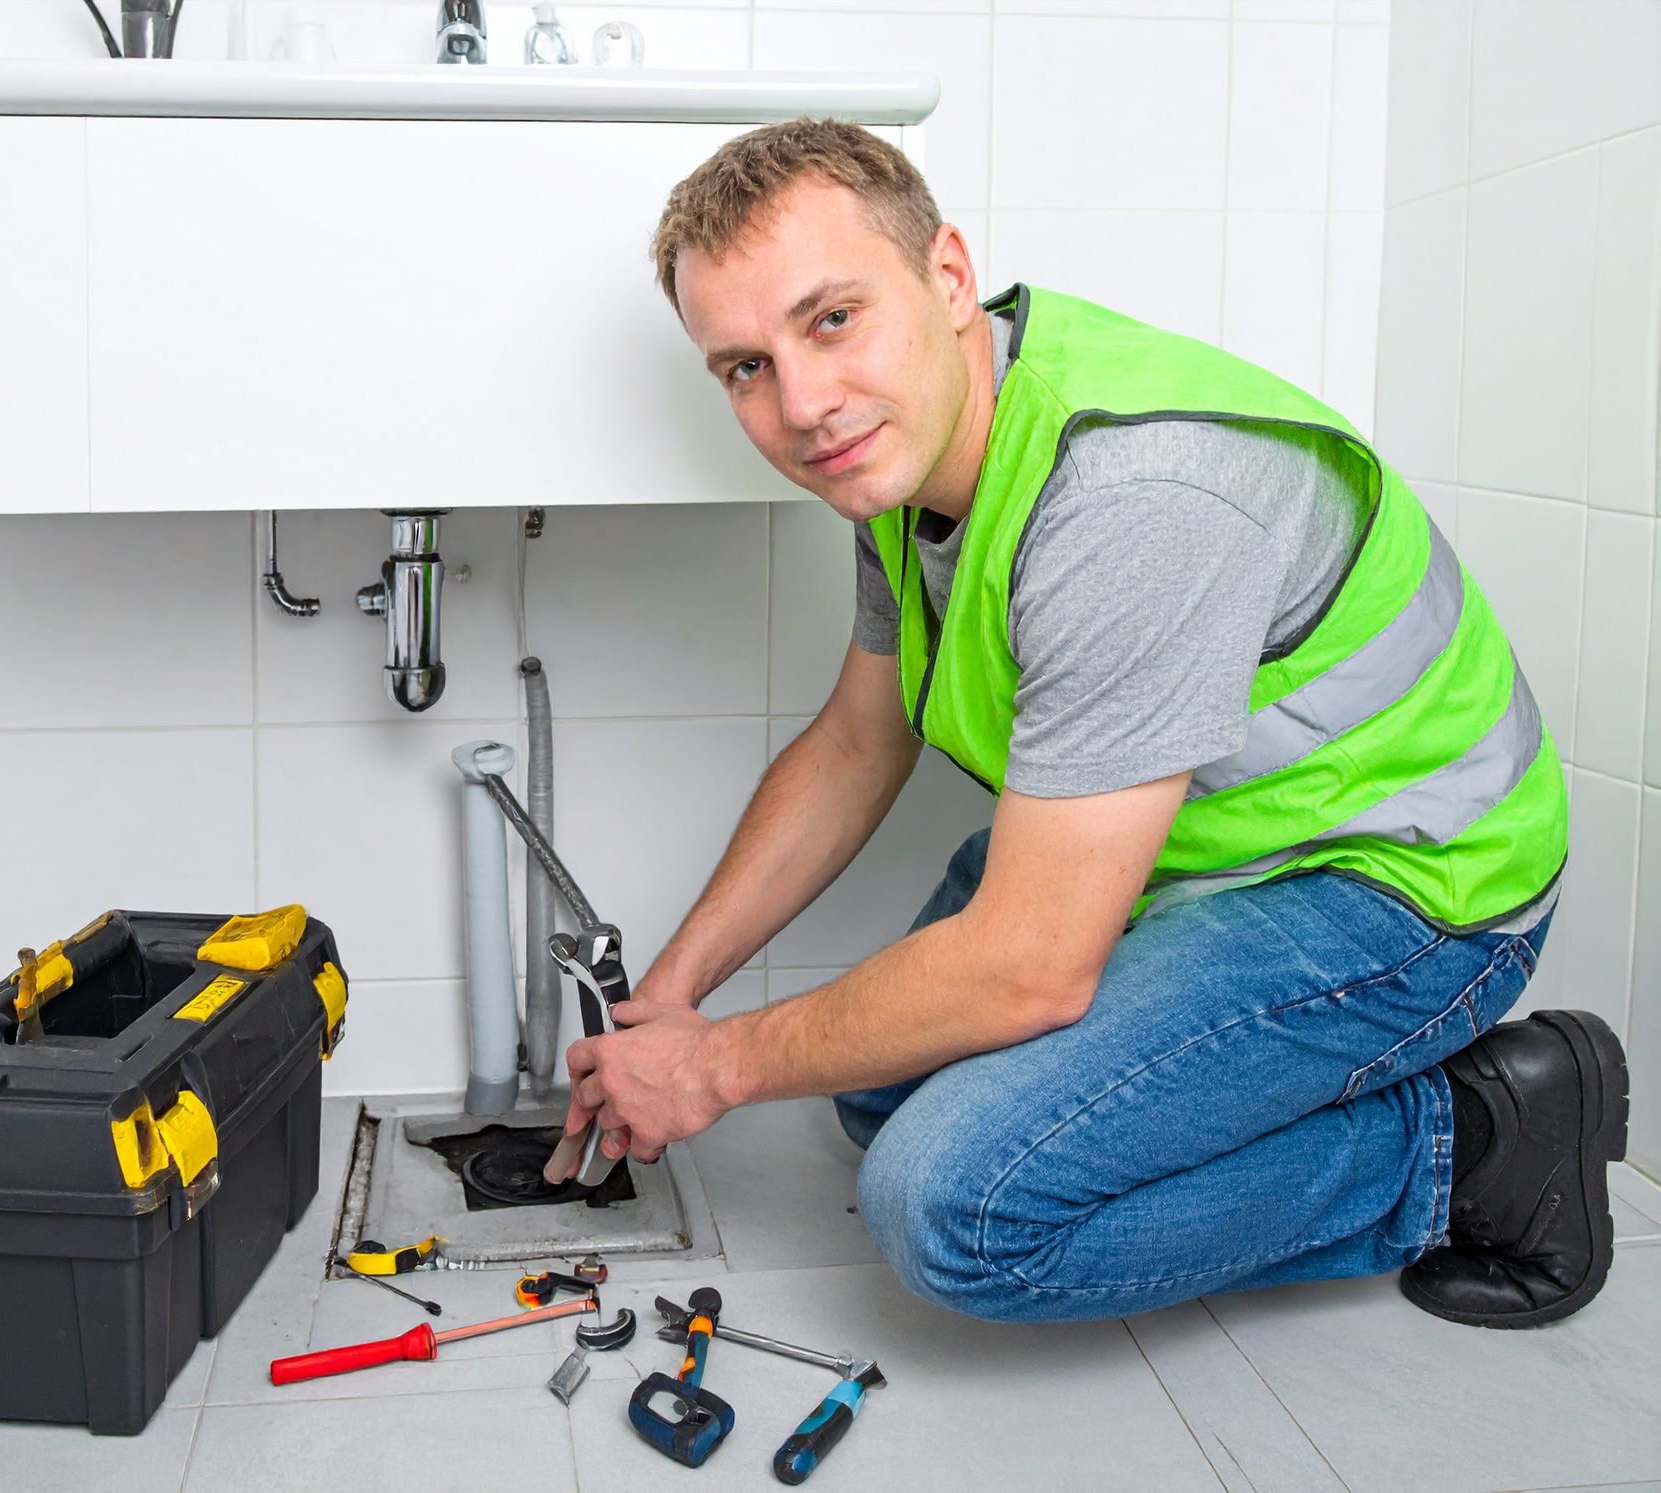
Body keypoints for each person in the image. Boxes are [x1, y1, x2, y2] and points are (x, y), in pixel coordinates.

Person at [545, 118, 1627, 1329]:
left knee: (952, 1204)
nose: (802, 403)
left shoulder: (1133, 496)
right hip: (1195, 844)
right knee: (876, 1095)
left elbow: (1028, 967)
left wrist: (717, 1064)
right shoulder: (910, 444)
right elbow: (858, 742)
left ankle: (1474, 1135)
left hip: (1403, 885)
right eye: (744, 365)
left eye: (831, 318)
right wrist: (675, 997)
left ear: (948, 276)